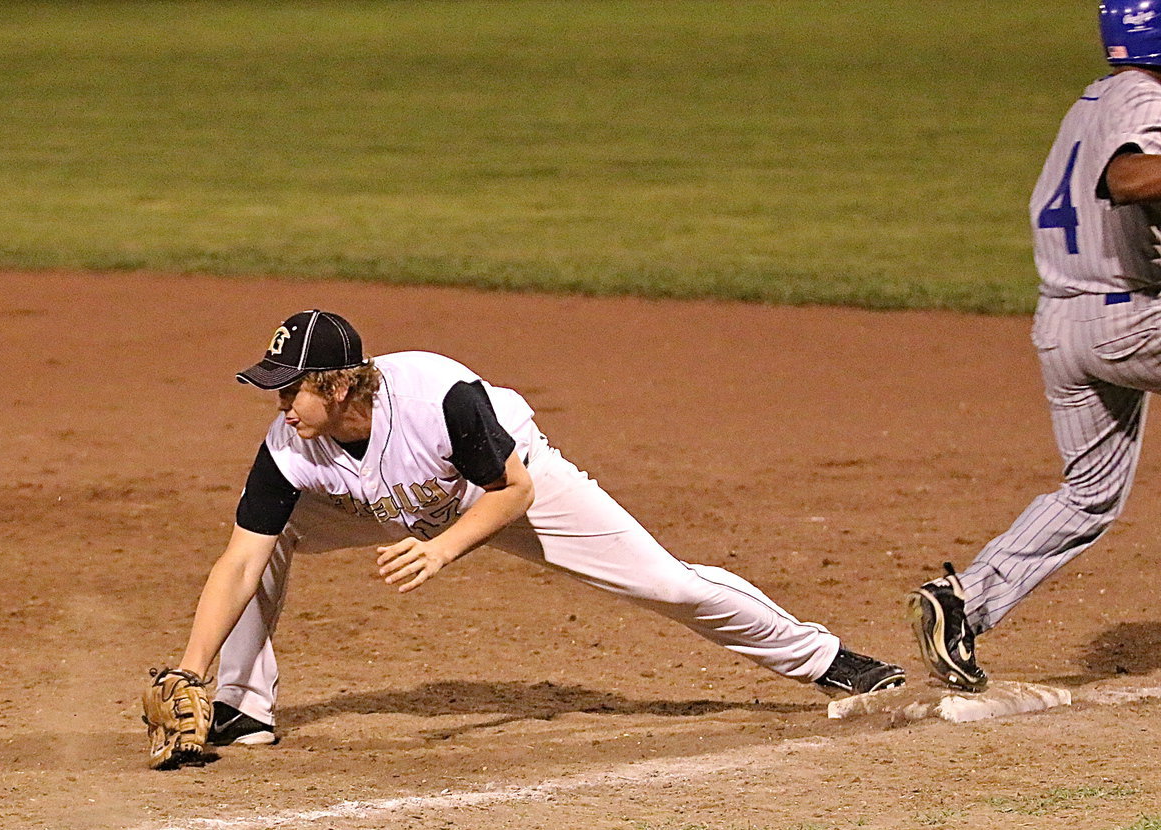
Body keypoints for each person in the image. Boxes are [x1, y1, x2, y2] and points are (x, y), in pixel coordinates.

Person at [162, 309, 905, 754]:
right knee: (273, 535)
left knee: (668, 583)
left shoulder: (437, 395)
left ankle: (829, 660)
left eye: (291, 388)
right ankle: (236, 705)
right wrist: (188, 668)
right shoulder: (289, 445)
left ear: (341, 384)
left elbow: (510, 490)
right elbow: (238, 561)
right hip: (387, 502)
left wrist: (443, 548)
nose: (280, 403)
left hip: (505, 484)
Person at [909, 1, 1161, 692]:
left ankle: (963, 602)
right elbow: (1130, 179)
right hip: (1128, 318)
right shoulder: (1144, 95)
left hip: (1065, 325)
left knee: (1090, 496)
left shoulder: (1096, 97)